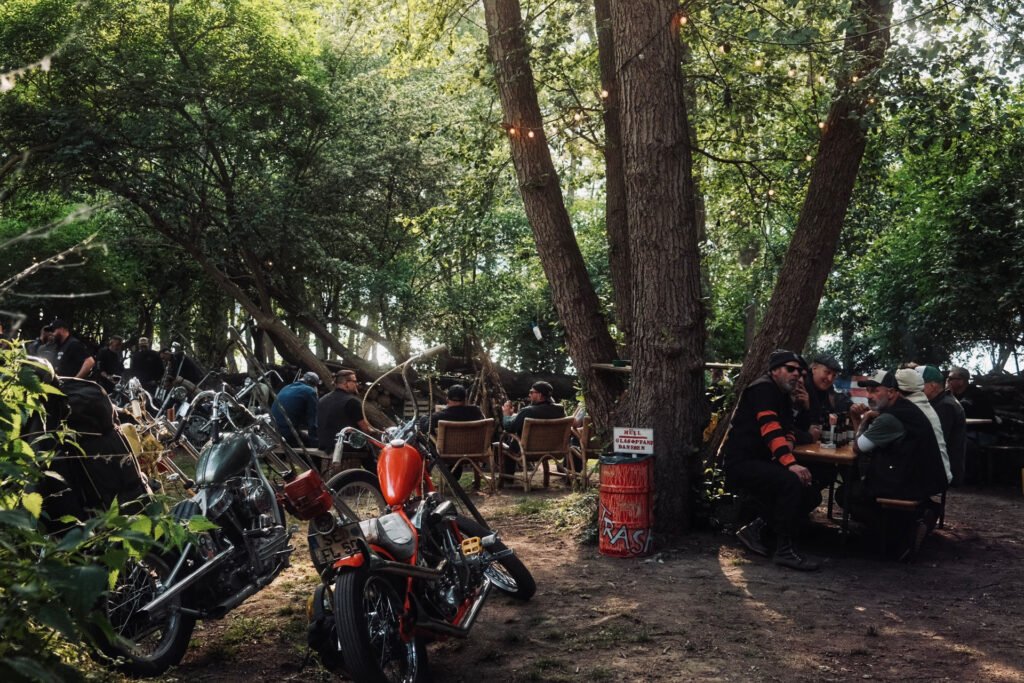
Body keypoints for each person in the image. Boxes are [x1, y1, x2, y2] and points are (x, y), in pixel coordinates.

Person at [721, 350, 820, 571]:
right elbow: (770, 429)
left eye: (799, 371)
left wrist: (791, 441)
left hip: (762, 460)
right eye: (790, 369)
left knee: (810, 490)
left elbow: (787, 430)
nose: (796, 374)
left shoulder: (782, 395)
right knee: (791, 481)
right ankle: (784, 550)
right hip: (742, 463)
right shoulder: (763, 388)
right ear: (775, 370)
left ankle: (755, 528)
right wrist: (791, 463)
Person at [848, 370, 948, 558]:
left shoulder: (890, 419)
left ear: (892, 392)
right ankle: (921, 515)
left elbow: (858, 447)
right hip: (922, 479)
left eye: (875, 391)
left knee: (847, 493)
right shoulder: (907, 409)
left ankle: (899, 538)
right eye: (868, 391)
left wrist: (860, 420)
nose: (869, 396)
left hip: (905, 483)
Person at [419, 384, 487, 480]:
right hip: (474, 453)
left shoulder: (439, 416)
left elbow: (425, 428)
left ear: (447, 399)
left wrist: (426, 416)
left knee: (426, 438)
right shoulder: (476, 412)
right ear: (465, 399)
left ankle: (426, 474)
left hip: (446, 454)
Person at [499, 381, 567, 476]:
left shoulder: (528, 411)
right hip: (554, 449)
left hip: (526, 450)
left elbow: (510, 428)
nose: (529, 394)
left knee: (505, 444)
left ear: (539, 395)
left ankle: (507, 478)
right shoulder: (560, 410)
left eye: (531, 392)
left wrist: (506, 415)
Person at [921, 365, 967, 485]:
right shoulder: (941, 401)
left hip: (946, 468)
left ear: (932, 385)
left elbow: (936, 441)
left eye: (919, 385)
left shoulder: (945, 406)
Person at [317, 369, 378, 452]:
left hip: (324, 444)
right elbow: (365, 429)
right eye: (355, 381)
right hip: (343, 445)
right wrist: (375, 431)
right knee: (369, 448)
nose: (356, 384)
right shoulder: (352, 401)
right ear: (346, 383)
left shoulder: (322, 400)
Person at [794, 353, 843, 444]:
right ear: (814, 369)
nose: (830, 378)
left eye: (834, 375)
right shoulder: (799, 386)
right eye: (827, 372)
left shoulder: (826, 391)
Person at [271, 371, 320, 447]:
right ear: (314, 385)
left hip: (274, 431)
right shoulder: (310, 391)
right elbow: (313, 421)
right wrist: (315, 443)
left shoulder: (286, 387)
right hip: (288, 434)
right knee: (311, 444)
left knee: (302, 434)